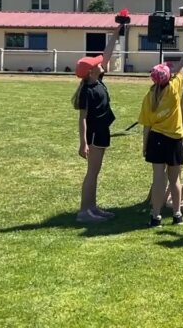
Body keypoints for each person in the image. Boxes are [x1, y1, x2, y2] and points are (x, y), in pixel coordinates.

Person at [71, 26, 121, 223]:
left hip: (102, 132)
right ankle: (84, 211)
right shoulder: (87, 91)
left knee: (96, 172)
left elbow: (105, 55)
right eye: (97, 64)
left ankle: (92, 207)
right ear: (91, 71)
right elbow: (82, 118)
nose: (102, 64)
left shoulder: (96, 80)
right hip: (94, 135)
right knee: (92, 172)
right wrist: (83, 143)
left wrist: (116, 34)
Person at [139, 57, 183, 228]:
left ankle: (156, 217)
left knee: (158, 179)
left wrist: (145, 146)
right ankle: (177, 214)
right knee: (174, 179)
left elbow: (146, 126)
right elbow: (181, 68)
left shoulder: (149, 97)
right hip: (174, 139)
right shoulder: (174, 89)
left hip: (156, 139)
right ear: (168, 77)